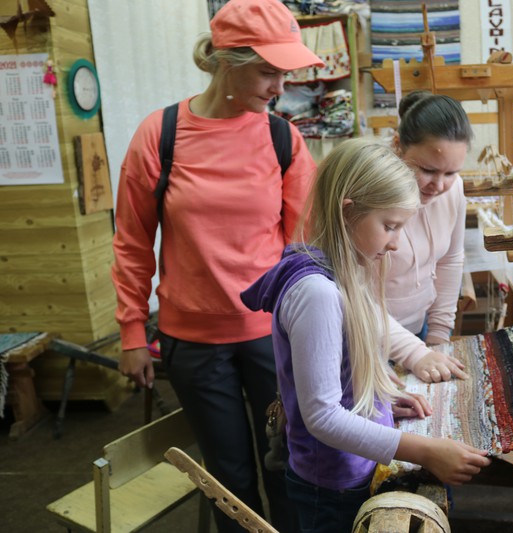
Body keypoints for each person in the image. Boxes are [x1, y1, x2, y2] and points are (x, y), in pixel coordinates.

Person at [110, 1, 323, 531]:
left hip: (275, 338)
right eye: (268, 71)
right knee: (228, 479)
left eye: (285, 73)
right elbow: (132, 241)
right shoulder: (160, 134)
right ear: (228, 60)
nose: (279, 87)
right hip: (194, 345)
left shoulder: (283, 139)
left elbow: (305, 248)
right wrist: (132, 331)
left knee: (290, 465)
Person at [240, 138, 491, 533]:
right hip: (331, 486)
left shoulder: (342, 273)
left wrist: (378, 402)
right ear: (348, 211)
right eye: (389, 226)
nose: (395, 242)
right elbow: (322, 416)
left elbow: (340, 376)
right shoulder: (317, 293)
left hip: (347, 470)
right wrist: (425, 451)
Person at [385, 91, 473, 383]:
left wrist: (438, 335)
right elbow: (351, 292)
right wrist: (414, 353)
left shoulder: (453, 189)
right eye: (427, 170)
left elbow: (450, 260)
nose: (439, 185)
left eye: (450, 173)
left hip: (418, 331)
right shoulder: (369, 193)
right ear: (397, 146)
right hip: (363, 339)